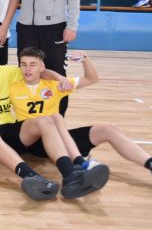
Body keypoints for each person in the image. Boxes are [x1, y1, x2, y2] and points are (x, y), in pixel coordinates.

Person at [0, 35, 106, 200]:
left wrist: (60, 78)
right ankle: (32, 176)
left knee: (47, 119)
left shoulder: (4, 72)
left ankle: (70, 175)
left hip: (9, 128)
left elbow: (37, 71)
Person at [12, 47, 152, 181]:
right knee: (53, 118)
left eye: (32, 65)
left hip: (59, 139)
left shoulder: (55, 85)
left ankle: (149, 163)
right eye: (24, 65)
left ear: (42, 67)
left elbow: (91, 79)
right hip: (33, 141)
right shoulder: (13, 86)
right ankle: (78, 162)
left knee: (108, 129)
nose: (27, 69)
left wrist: (85, 59)